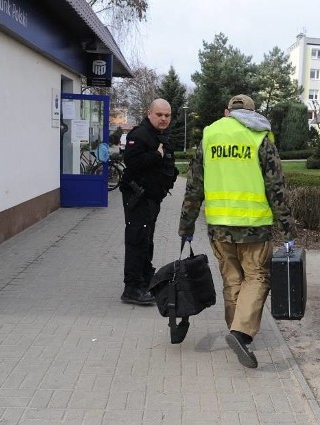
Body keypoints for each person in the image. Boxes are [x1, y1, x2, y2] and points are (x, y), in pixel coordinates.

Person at [178, 94, 296, 368]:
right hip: (254, 225)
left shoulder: (209, 135)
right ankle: (241, 332)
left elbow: (194, 185)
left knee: (232, 279)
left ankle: (235, 327)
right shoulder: (259, 136)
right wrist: (288, 228)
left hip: (219, 225)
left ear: (227, 111)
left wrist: (186, 225)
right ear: (253, 112)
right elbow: (276, 186)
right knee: (257, 276)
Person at [120, 99, 178, 305]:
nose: (164, 119)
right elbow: (132, 162)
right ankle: (132, 287)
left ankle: (145, 277)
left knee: (147, 239)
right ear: (149, 113)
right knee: (137, 240)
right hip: (138, 198)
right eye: (159, 114)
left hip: (152, 198)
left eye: (167, 115)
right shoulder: (139, 135)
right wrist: (156, 155)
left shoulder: (159, 135)